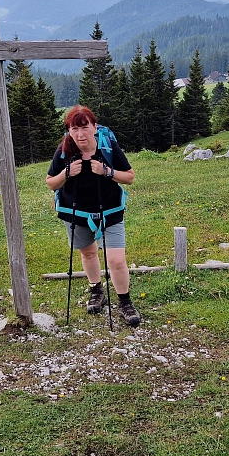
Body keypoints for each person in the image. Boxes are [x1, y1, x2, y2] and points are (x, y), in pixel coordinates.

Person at [45, 105, 140, 326]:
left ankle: (124, 301)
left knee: (116, 260)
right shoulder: (64, 149)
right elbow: (51, 182)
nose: (80, 134)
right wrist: (67, 173)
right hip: (75, 212)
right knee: (88, 254)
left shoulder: (108, 147)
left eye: (84, 127)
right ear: (69, 130)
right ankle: (96, 290)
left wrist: (107, 172)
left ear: (95, 127)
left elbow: (129, 177)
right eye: (74, 128)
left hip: (110, 212)